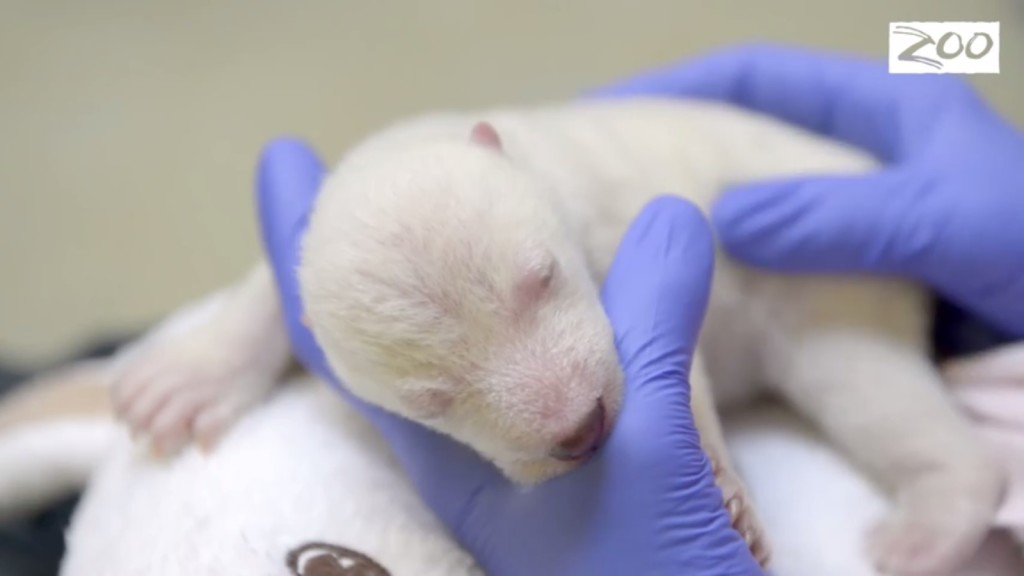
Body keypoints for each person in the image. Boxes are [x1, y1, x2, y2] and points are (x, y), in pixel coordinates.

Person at [254, 42, 1024, 575]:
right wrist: (219, 349)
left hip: (793, 258)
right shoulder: (364, 231)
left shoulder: (493, 174)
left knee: (834, 345)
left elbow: (663, 345)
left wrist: (714, 471)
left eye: (543, 284)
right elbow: (311, 273)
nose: (563, 414)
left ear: (501, 157)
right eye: (439, 398)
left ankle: (946, 475)